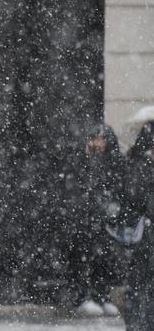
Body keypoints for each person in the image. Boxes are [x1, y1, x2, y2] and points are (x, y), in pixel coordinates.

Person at [67, 124, 128, 317]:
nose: (98, 143)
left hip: (105, 219)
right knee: (84, 257)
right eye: (95, 138)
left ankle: (101, 296)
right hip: (85, 218)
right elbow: (77, 185)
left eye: (102, 139)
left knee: (104, 259)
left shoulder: (114, 162)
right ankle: (83, 297)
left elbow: (118, 184)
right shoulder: (82, 161)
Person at [122, 121, 154, 331]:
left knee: (141, 283)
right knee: (139, 282)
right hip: (143, 233)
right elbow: (137, 199)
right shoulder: (138, 165)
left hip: (143, 232)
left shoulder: (137, 164)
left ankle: (144, 328)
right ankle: (138, 330)